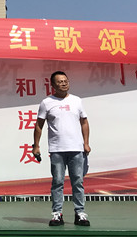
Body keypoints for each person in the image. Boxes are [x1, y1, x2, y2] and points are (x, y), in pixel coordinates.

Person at [32, 71, 91, 227]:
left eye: (66, 81)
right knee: (58, 182)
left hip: (76, 148)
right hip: (57, 149)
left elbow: (84, 122)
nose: (64, 83)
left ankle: (80, 213)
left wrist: (86, 143)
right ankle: (57, 213)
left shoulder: (77, 101)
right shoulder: (46, 103)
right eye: (60, 81)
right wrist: (36, 145)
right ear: (52, 85)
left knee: (77, 181)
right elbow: (39, 125)